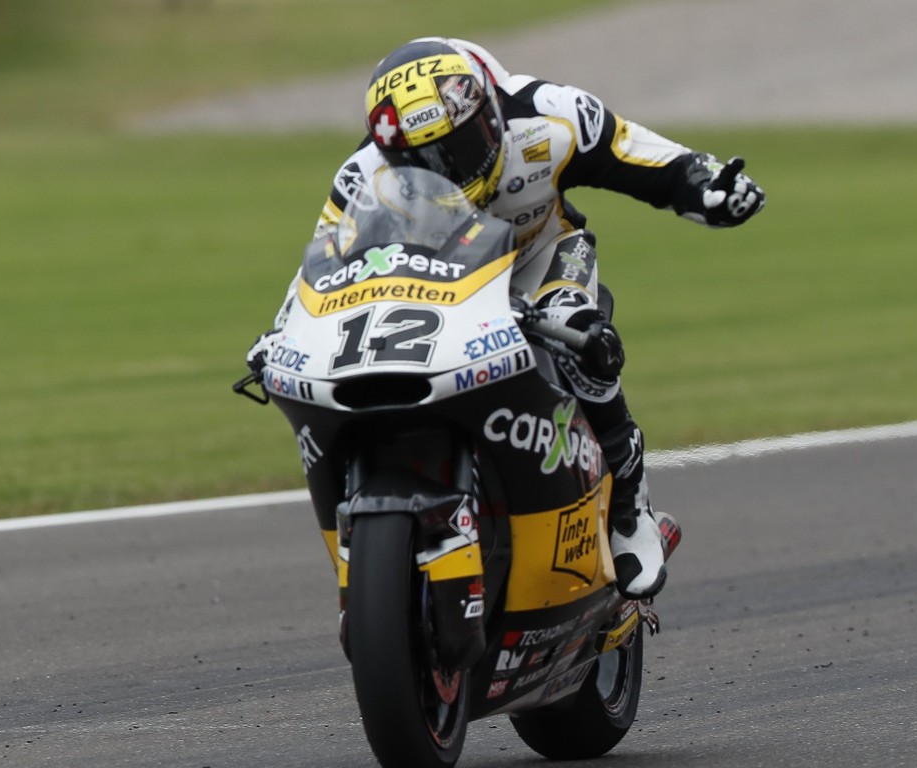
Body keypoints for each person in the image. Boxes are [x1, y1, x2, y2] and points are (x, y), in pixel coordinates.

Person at [250, 37, 766, 599]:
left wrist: (710, 184)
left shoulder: (553, 116)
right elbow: (325, 263)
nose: (446, 169)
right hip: (434, 286)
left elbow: (643, 155)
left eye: (460, 146)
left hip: (540, 257)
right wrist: (283, 332)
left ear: (491, 110)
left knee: (581, 339)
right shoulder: (362, 173)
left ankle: (627, 506)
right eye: (423, 161)